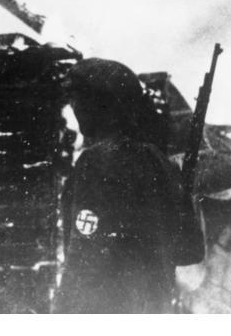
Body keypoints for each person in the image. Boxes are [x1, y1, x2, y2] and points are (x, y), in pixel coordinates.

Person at [53, 58, 204, 313]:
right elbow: (190, 252)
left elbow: (85, 257)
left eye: (77, 99)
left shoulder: (95, 161)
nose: (74, 108)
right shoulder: (160, 163)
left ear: (99, 104)